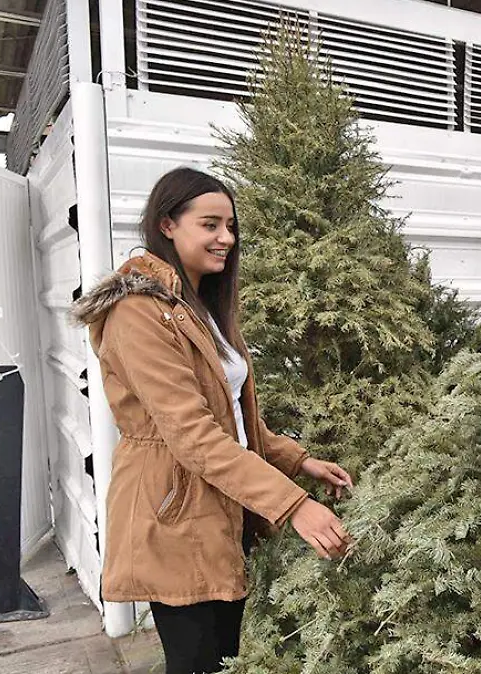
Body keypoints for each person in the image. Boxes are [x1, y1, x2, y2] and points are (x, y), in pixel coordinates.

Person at [72, 167, 354, 674]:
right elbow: (194, 436)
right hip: (176, 514)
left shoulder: (198, 307)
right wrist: (294, 506)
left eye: (230, 226)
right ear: (167, 225)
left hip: (222, 506)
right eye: (209, 224)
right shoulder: (139, 312)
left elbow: (230, 418)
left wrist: (300, 460)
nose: (225, 238)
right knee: (200, 662)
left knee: (226, 659)